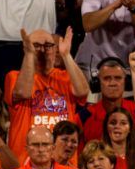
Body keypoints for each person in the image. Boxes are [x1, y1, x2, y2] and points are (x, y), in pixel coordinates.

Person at [6, 28, 90, 160]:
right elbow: (23, 92)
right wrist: (29, 55)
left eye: (48, 46)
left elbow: (83, 91)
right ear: (26, 48)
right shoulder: (14, 77)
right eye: (36, 46)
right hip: (26, 162)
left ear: (55, 49)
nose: (42, 50)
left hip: (63, 163)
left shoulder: (66, 77)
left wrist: (66, 55)